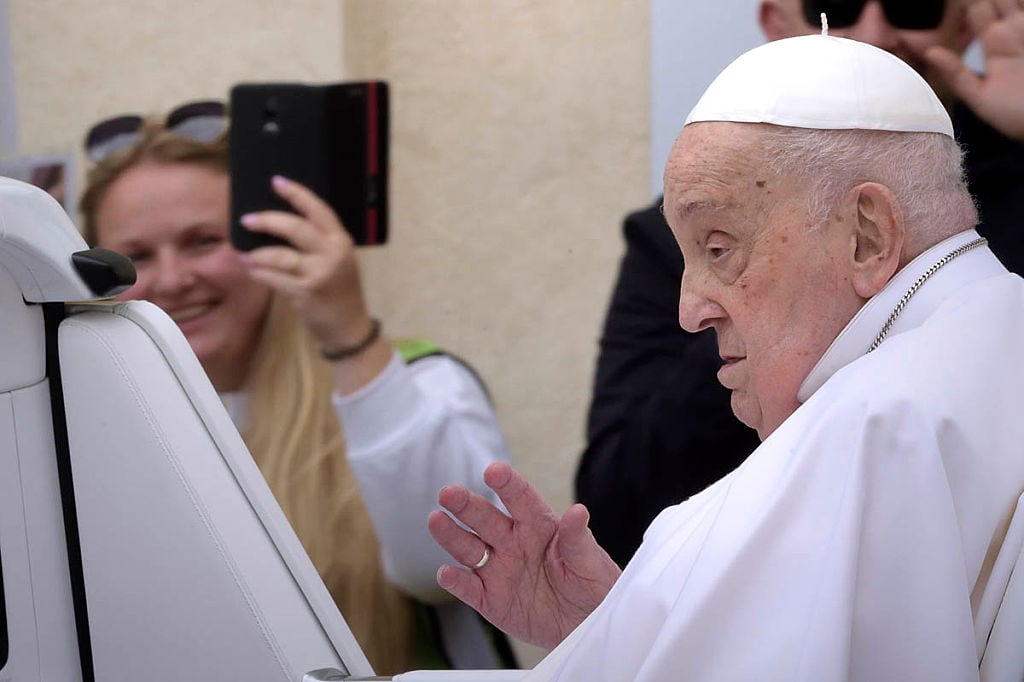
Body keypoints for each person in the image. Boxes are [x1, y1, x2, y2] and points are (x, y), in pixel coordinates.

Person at [429, 34, 1024, 680]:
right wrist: (624, 630)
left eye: (718, 248)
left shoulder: (872, 429)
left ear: (867, 236)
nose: (689, 311)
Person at [576, 0, 1024, 567]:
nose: (875, 33)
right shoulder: (672, 234)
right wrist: (752, 286)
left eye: (915, 2)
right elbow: (616, 507)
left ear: (961, 26)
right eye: (830, 4)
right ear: (772, 23)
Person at [77, 106, 515, 675]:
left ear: (273, 241)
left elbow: (449, 562)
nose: (173, 278)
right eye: (135, 256)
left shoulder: (417, 380)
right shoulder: (77, 421)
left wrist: (350, 337)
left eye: (203, 241)